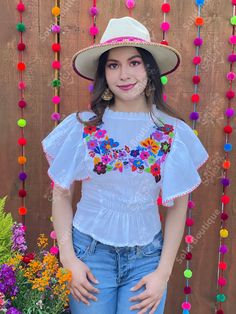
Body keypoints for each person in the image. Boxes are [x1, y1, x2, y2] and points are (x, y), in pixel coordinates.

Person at [41, 16, 209, 314]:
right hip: (89, 256)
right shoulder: (82, 128)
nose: (124, 74)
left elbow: (179, 206)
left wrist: (163, 272)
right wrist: (69, 260)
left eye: (134, 62)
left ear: (149, 69)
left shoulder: (173, 133)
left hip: (147, 258)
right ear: (104, 74)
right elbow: (62, 193)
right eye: (113, 65)